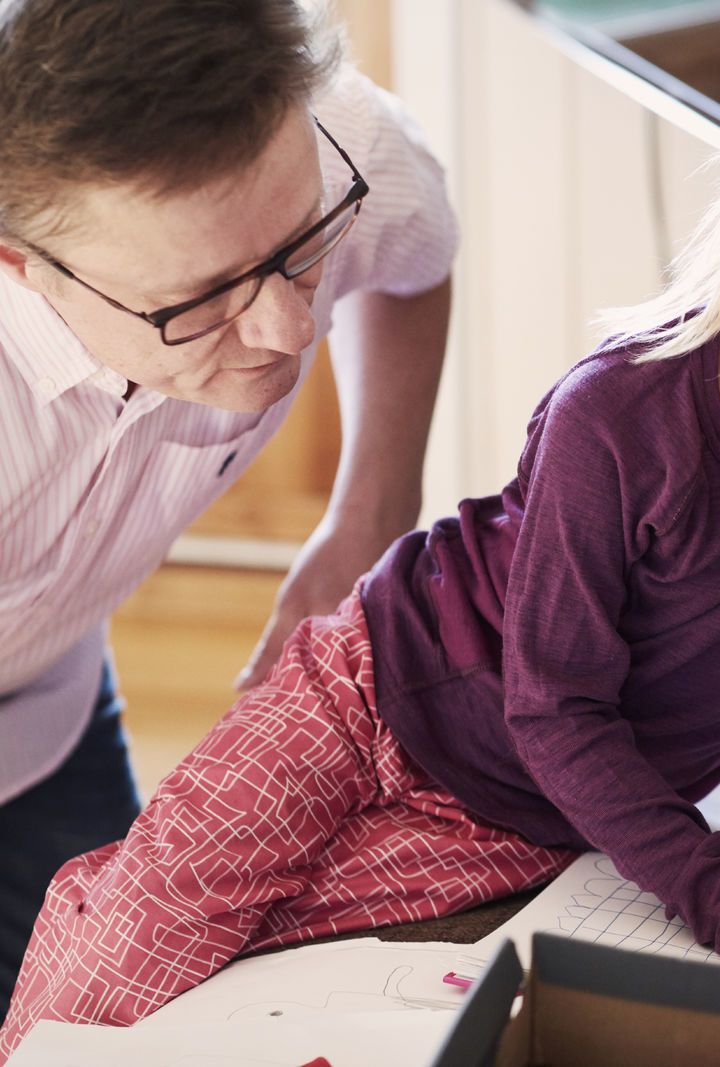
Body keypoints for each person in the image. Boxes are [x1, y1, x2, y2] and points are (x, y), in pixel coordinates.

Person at [0, 128, 720, 1056]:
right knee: (135, 945)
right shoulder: (619, 417)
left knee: (250, 963)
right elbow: (557, 700)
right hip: (372, 690)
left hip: (523, 807)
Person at [0, 0, 456, 1023]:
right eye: (200, 299)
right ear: (22, 265)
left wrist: (372, 506)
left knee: (121, 1029)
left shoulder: (340, 144)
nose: (289, 327)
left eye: (302, 247)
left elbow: (414, 259)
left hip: (54, 708)